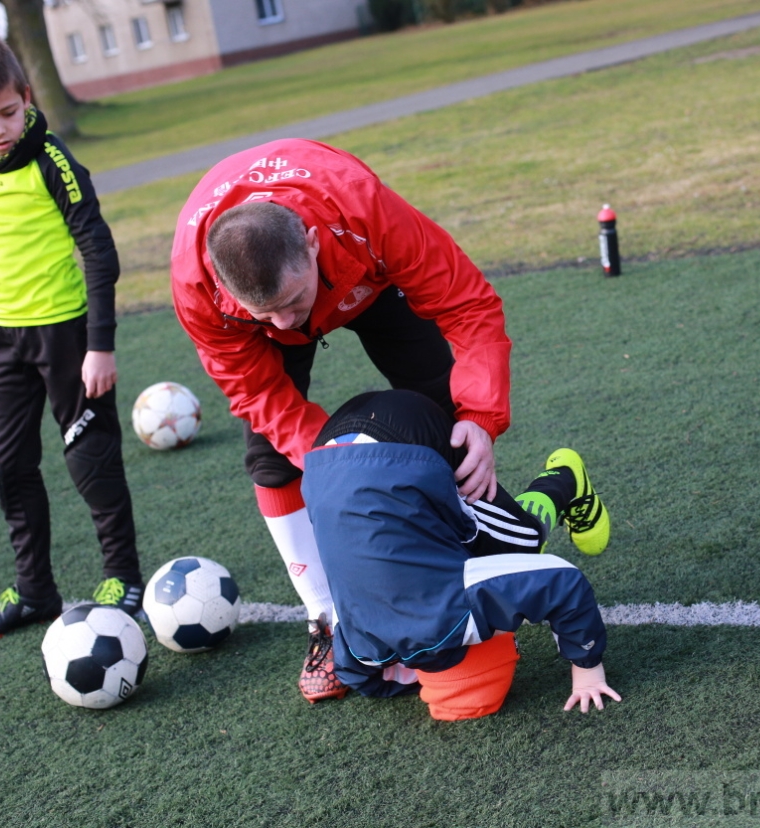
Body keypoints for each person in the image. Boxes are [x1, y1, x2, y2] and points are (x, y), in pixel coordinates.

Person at [170, 139, 512, 701]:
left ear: (308, 242)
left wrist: (480, 413)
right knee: (270, 458)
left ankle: (462, 577)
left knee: (442, 413)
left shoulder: (364, 209)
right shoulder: (198, 286)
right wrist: (334, 467)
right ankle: (329, 621)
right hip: (268, 300)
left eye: (291, 300)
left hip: (365, 281)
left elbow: (467, 305)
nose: (284, 322)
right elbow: (255, 388)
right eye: (266, 313)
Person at [0, 35, 145, 640]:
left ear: (26, 98)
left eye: (7, 112)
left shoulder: (52, 159)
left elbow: (99, 252)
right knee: (8, 466)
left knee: (89, 459)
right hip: (3, 340)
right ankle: (34, 589)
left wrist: (100, 344)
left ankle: (122, 577)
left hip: (68, 337)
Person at [301, 389, 618, 720]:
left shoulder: (461, 611)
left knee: (522, 542)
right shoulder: (366, 650)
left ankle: (567, 479)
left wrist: (587, 671)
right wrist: (401, 683)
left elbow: (562, 578)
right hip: (323, 459)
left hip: (407, 433)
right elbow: (355, 674)